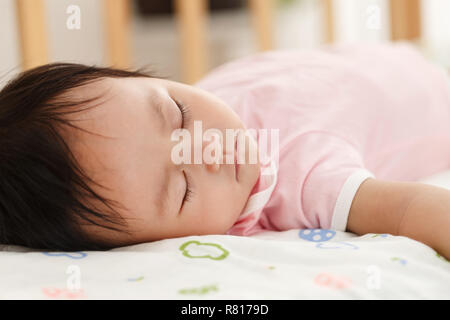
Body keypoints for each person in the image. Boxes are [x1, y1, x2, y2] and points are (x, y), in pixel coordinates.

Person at [0, 43, 449, 259]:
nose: (209, 149)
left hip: (390, 54)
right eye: (182, 188)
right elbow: (409, 208)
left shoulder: (214, 90)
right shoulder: (301, 178)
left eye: (176, 113)